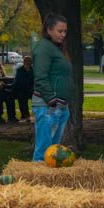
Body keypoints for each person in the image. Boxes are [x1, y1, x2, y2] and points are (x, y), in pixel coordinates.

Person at [31, 13, 73, 161]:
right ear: (49, 30)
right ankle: (35, 183)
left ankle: (48, 184)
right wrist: (51, 100)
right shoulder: (44, 48)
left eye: (65, 31)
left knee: (53, 154)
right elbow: (40, 76)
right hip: (48, 106)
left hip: (59, 106)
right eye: (59, 31)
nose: (63, 34)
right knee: (43, 151)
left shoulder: (56, 49)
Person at [12, 55, 34, 122]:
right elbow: (19, 81)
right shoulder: (20, 70)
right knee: (21, 96)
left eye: (29, 61)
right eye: (26, 61)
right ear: (24, 62)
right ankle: (25, 115)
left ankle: (27, 115)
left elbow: (34, 80)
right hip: (22, 89)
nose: (28, 63)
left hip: (32, 89)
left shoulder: (33, 70)